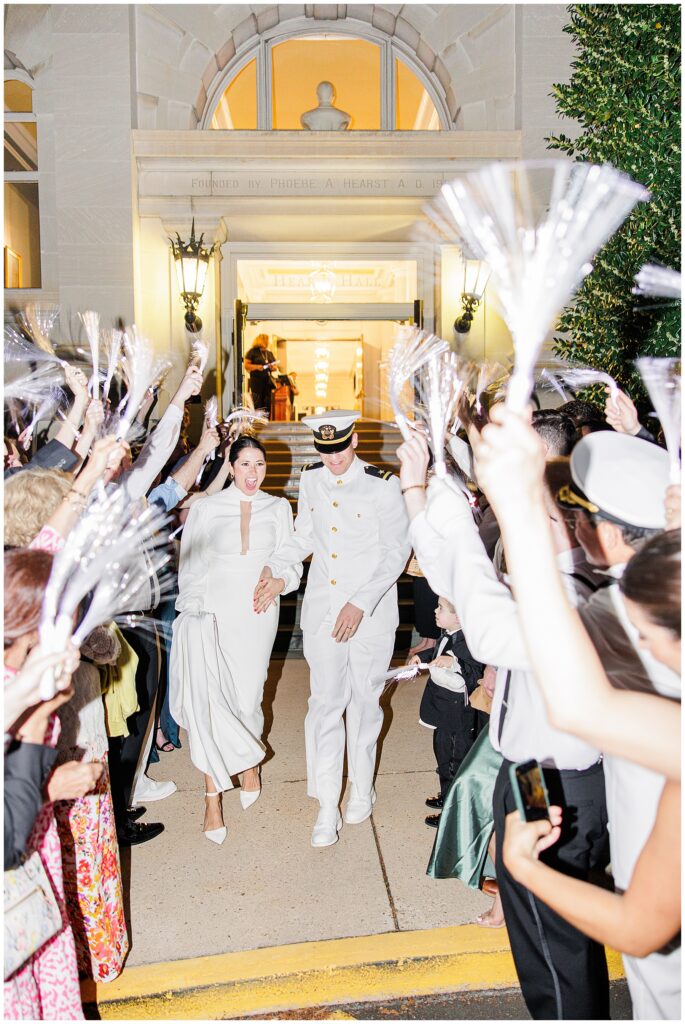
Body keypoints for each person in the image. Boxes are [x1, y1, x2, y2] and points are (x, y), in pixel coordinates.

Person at [398, 428, 611, 1021]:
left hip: (560, 788)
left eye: (533, 513)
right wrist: (421, 491)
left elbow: (484, 614)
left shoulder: (570, 595)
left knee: (554, 952)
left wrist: (447, 495)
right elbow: (456, 579)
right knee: (535, 937)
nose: (517, 523)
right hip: (531, 777)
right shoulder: (544, 578)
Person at [266, 410, 411, 847]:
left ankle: (361, 786)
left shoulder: (383, 484)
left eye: (339, 451)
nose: (333, 460)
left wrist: (360, 603)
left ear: (353, 443)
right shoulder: (312, 480)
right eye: (325, 453)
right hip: (324, 612)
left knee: (365, 704)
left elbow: (396, 551)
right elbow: (305, 534)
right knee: (325, 704)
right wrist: (275, 566)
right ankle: (326, 803)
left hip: (371, 614)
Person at [170, 435, 302, 844]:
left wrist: (280, 581)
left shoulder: (279, 508)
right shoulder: (206, 509)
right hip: (211, 614)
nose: (253, 473)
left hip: (258, 616)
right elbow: (190, 568)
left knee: (248, 698)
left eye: (259, 465)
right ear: (230, 466)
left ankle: (249, 761)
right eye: (245, 464)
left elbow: (292, 563)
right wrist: (192, 613)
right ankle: (211, 797)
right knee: (210, 703)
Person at [410, 596, 484, 828]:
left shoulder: (467, 644)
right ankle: (446, 794)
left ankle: (453, 812)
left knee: (454, 761)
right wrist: (421, 657)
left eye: (441, 608)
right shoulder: (447, 635)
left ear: (459, 617)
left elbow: (474, 674)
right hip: (442, 712)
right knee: (443, 756)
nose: (435, 610)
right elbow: (435, 654)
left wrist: (453, 663)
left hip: (458, 718)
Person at [244, 334, 279, 416]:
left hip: (267, 380)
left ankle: (266, 418)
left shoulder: (269, 353)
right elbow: (246, 365)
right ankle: (257, 419)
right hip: (256, 379)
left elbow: (275, 367)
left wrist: (272, 367)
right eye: (267, 340)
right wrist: (257, 367)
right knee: (257, 399)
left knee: (267, 400)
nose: (268, 342)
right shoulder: (252, 352)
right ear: (262, 341)